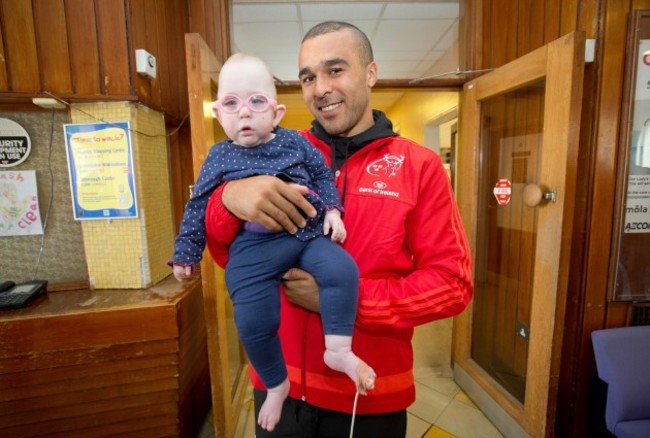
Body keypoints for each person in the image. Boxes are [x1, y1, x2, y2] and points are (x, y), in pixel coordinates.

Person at [204, 22, 473, 437]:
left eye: (335, 70)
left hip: (368, 395)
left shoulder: (419, 166)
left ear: (370, 73)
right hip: (280, 387)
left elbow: (452, 284)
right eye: (308, 77)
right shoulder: (272, 149)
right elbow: (226, 254)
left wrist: (345, 299)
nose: (320, 87)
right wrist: (227, 199)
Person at [169, 53, 375, 432]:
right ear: (218, 112)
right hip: (254, 249)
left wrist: (332, 211)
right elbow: (199, 205)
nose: (243, 113)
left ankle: (338, 351)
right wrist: (186, 251)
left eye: (256, 102)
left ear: (277, 113)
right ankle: (277, 383)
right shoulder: (219, 155)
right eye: (231, 103)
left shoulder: (296, 142)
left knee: (343, 269)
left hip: (307, 233)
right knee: (251, 320)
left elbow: (322, 175)